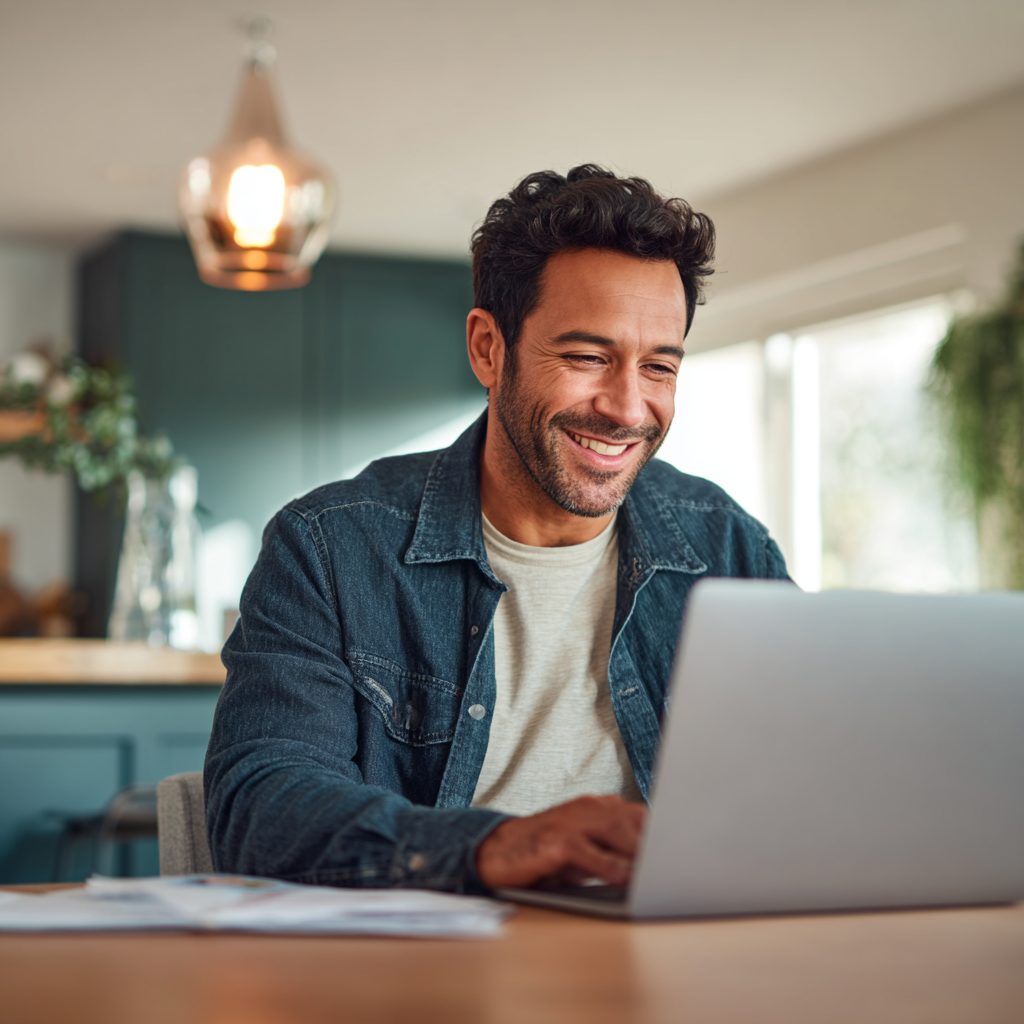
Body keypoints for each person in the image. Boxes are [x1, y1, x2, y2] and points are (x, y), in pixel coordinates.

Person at [204, 164, 791, 894]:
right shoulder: (329, 547)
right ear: (488, 347)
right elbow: (260, 808)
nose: (627, 407)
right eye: (586, 357)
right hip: (423, 976)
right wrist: (495, 846)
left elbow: (809, 788)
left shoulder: (728, 549)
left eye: (659, 367)